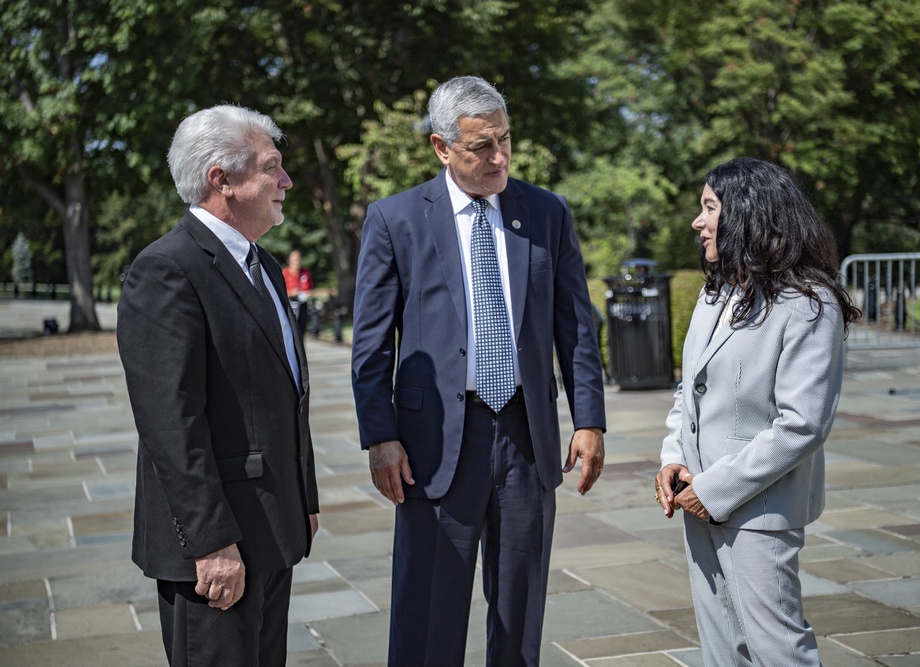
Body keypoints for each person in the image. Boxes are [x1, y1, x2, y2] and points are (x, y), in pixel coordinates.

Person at [351, 75, 606, 666]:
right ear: (442, 147)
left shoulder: (545, 213)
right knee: (427, 617)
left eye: (505, 141)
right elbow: (370, 347)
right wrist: (380, 437)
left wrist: (588, 420)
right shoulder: (396, 220)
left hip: (526, 436)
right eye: (480, 146)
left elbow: (576, 328)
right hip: (433, 446)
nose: (499, 157)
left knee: (519, 617)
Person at [117, 105, 319, 666]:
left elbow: (284, 393)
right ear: (221, 180)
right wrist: (211, 542)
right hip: (216, 544)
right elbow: (168, 423)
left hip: (271, 529)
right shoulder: (166, 269)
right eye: (271, 167)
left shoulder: (264, 265)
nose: (286, 181)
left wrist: (303, 496)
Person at [654, 157, 861, 667]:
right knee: (722, 650)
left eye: (709, 208)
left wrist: (714, 489)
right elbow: (690, 392)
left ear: (747, 213)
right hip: (696, 497)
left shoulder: (809, 303)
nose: (698, 221)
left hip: (759, 509)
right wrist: (672, 459)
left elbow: (803, 424)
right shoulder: (715, 290)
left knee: (777, 649)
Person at [282, 249, 313, 334]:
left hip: (303, 305)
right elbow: (280, 292)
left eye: (298, 259)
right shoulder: (284, 273)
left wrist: (308, 294)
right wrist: (291, 293)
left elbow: (310, 288)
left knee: (301, 330)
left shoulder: (305, 273)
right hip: (290, 306)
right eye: (294, 260)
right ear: (289, 260)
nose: (296, 262)